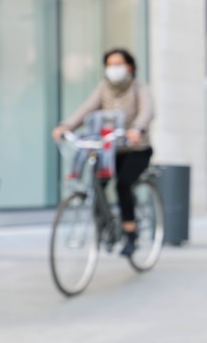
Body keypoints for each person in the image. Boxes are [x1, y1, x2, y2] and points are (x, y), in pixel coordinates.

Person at [52, 48, 154, 257]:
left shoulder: (138, 87)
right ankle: (106, 226)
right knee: (96, 184)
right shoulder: (104, 88)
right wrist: (67, 126)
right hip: (109, 150)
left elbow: (147, 110)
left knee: (123, 185)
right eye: (110, 64)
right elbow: (86, 109)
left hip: (136, 149)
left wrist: (137, 128)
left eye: (119, 64)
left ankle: (130, 234)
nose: (113, 69)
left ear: (130, 67)